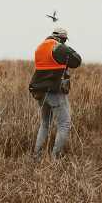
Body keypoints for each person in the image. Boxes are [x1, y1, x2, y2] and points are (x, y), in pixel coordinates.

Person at [29, 27, 82, 160]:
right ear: (62, 38)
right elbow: (77, 61)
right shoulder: (58, 47)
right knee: (64, 124)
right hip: (54, 91)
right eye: (64, 40)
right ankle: (55, 158)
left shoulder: (40, 47)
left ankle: (37, 156)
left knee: (44, 123)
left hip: (39, 91)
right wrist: (67, 48)